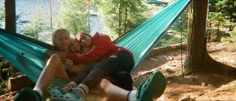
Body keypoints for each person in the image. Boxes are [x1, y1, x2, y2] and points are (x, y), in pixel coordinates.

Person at [49, 31, 135, 99]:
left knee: (99, 65)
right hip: (115, 69)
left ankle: (80, 92)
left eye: (84, 37)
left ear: (89, 35)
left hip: (123, 56)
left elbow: (89, 57)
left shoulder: (100, 39)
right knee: (123, 76)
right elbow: (87, 61)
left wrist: (65, 56)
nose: (83, 41)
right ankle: (67, 88)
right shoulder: (88, 51)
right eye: (80, 41)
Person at [14, 70, 166, 101]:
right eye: (61, 39)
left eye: (69, 39)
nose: (66, 41)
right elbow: (55, 61)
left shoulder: (87, 56)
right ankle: (36, 94)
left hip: (92, 81)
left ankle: (134, 96)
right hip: (73, 85)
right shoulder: (61, 56)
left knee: (105, 82)